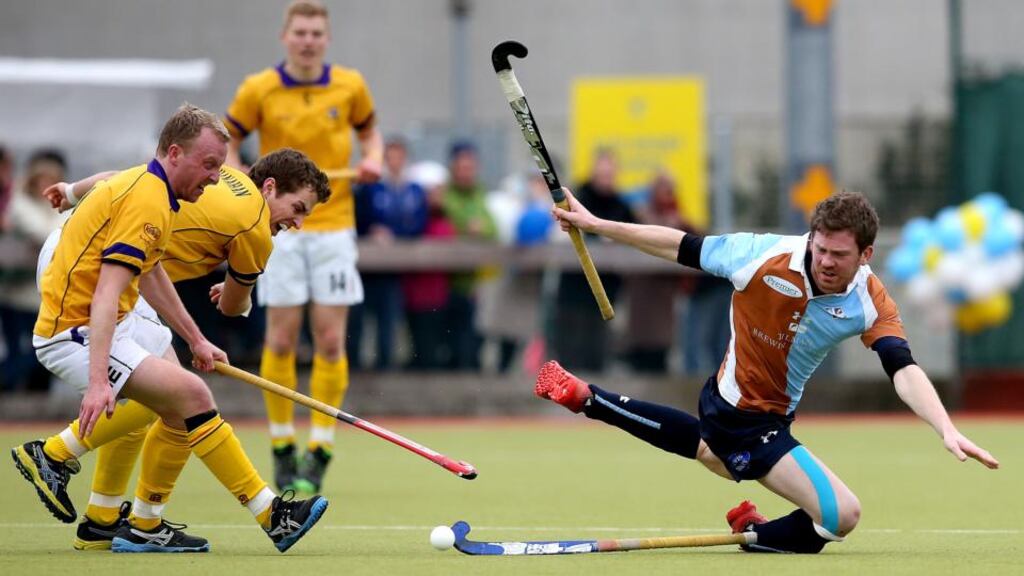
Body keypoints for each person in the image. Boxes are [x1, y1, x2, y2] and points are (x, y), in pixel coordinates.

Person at [535, 188, 999, 553]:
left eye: (839, 254)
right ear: (811, 238)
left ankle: (587, 398)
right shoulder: (761, 254)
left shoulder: (870, 301)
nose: (826, 262)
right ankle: (757, 534)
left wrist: (944, 427)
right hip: (743, 414)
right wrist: (597, 225)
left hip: (765, 416)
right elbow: (681, 245)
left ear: (866, 255)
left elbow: (902, 367)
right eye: (820, 249)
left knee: (710, 452)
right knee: (842, 515)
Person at [11, 104, 329, 554]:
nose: (215, 176)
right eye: (297, 209)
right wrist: (98, 382)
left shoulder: (165, 188)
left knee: (174, 395)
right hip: (82, 313)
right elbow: (115, 293)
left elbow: (143, 247)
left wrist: (196, 338)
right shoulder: (241, 225)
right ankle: (56, 455)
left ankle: (114, 520)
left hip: (99, 281)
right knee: (186, 395)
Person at [224, 0, 383, 494]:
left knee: (331, 341)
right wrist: (239, 180)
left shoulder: (350, 85)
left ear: (326, 39)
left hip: (334, 226)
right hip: (278, 230)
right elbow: (229, 139)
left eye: (317, 32)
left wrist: (373, 159)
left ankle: (321, 447)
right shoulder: (258, 88)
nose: (309, 40)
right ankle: (280, 445)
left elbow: (371, 136)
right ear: (285, 36)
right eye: (301, 32)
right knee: (280, 340)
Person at [552, 148, 634, 371]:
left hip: (606, 291)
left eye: (610, 173)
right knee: (571, 352)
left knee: (598, 352)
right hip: (574, 289)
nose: (606, 178)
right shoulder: (578, 199)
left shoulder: (622, 205)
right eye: (602, 173)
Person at [349, 136, 427, 370]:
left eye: (399, 157)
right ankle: (355, 365)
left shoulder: (413, 190)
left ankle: (385, 365)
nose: (395, 162)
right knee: (358, 320)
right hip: (367, 266)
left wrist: (396, 234)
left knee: (388, 321)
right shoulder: (370, 188)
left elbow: (418, 223)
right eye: (390, 157)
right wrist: (372, 231)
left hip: (395, 268)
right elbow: (359, 217)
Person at [1, 149, 69, 391]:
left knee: (42, 352)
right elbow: (47, 234)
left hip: (45, 295)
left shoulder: (61, 207)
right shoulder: (21, 205)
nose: (46, 186)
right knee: (23, 352)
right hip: (16, 292)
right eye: (41, 180)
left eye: (52, 181)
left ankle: (32, 394)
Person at [440, 140, 497, 370]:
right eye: (462, 168)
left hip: (473, 284)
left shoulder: (480, 195)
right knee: (447, 344)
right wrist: (469, 227)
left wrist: (480, 229)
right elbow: (448, 226)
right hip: (445, 283)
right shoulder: (445, 196)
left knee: (471, 345)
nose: (466, 173)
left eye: (470, 168)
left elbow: (493, 229)